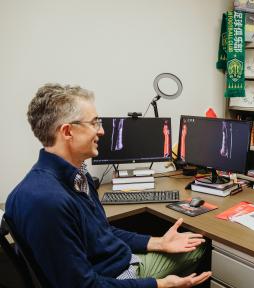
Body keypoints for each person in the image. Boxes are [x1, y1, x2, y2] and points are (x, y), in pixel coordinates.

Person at [5, 83, 211, 287]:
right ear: (67, 132)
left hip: (116, 261)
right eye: (94, 123)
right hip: (115, 277)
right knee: (201, 247)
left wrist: (160, 243)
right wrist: (160, 284)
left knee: (188, 242)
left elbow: (102, 231)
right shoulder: (47, 202)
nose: (102, 131)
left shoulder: (75, 176)